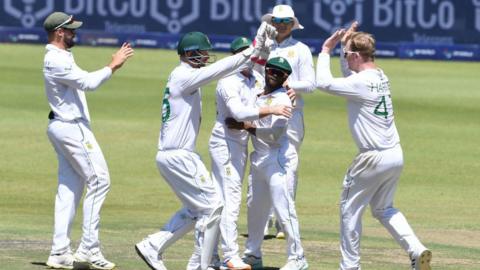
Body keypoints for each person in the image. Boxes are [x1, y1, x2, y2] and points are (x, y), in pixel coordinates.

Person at [134, 24, 277, 270]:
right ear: (190, 53)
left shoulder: (183, 76)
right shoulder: (183, 75)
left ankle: (154, 246)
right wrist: (253, 46)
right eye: (202, 52)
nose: (206, 57)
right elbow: (221, 69)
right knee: (213, 207)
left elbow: (242, 69)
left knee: (197, 209)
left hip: (177, 154)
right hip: (178, 155)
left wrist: (263, 49)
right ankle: (200, 265)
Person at [316, 22, 432, 270]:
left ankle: (350, 266)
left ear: (356, 56)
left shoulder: (361, 83)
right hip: (394, 155)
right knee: (383, 208)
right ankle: (416, 249)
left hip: (372, 158)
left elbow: (323, 83)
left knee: (349, 210)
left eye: (347, 55)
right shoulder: (380, 75)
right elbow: (350, 77)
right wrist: (344, 46)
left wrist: (326, 49)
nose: (345, 59)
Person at [42, 11, 134, 270]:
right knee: (100, 180)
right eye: (70, 30)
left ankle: (60, 252)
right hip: (71, 128)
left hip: (63, 127)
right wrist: (113, 64)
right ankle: (88, 249)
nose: (74, 32)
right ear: (59, 32)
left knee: (69, 190)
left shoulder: (60, 56)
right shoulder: (56, 60)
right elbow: (87, 83)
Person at [209, 37, 292, 270]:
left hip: (242, 144)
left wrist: (286, 92)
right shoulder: (227, 81)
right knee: (229, 199)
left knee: (219, 201)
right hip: (224, 143)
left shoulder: (255, 78)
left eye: (250, 53)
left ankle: (210, 257)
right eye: (243, 54)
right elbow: (237, 112)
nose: (249, 58)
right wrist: (272, 108)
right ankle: (229, 256)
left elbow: (266, 93)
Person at [227, 57, 308, 270]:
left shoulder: (284, 100)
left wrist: (245, 126)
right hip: (259, 157)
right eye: (271, 70)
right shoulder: (258, 92)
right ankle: (253, 254)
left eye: (279, 73)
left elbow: (274, 135)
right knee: (255, 208)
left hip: (279, 157)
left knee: (284, 208)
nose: (273, 74)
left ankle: (297, 258)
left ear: (285, 78)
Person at [260, 4, 316, 239]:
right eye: (277, 21)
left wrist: (288, 85)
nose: (281, 26)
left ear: (292, 24)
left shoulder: (301, 49)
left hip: (292, 114)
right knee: (262, 161)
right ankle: (261, 220)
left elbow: (311, 84)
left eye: (285, 22)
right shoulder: (264, 46)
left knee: (289, 165)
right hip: (263, 110)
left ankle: (284, 221)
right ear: (272, 22)